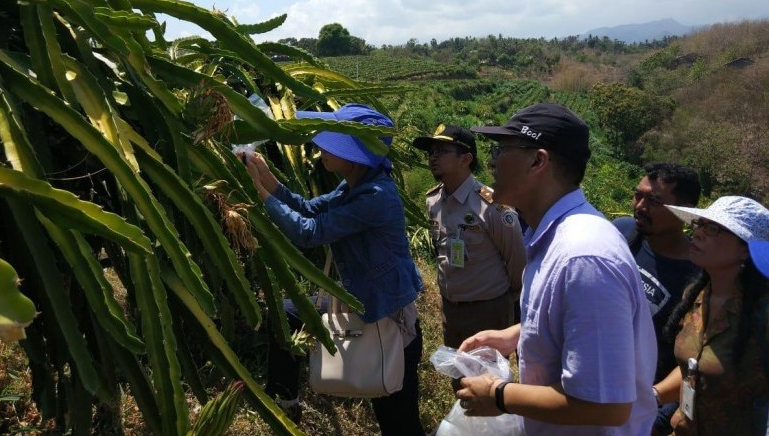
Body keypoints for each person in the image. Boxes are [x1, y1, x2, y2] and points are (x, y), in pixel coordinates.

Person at [455, 102, 658, 435]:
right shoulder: (553, 239)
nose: (490, 160)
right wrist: (517, 334)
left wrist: (499, 395)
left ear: (538, 161)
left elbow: (606, 406)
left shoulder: (583, 257)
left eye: (502, 149)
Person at [241, 103, 425, 436]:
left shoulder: (376, 196)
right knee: (285, 315)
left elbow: (309, 232)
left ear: (355, 154)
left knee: (398, 422)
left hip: (388, 317)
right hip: (360, 300)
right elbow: (309, 209)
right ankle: (285, 403)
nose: (321, 148)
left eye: (334, 141)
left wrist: (259, 192)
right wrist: (268, 177)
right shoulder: (352, 185)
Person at [652, 196, 769, 435]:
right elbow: (694, 368)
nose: (698, 233)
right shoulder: (695, 296)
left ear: (745, 249)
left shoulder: (762, 314)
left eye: (713, 228)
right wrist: (654, 395)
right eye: (700, 224)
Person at [411, 124, 525, 356]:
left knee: (489, 381)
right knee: (459, 378)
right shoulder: (433, 201)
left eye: (442, 151)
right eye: (431, 152)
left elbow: (517, 263)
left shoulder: (492, 206)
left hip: (488, 310)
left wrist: (505, 301)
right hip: (451, 309)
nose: (433, 157)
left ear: (466, 159)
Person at [613, 163, 702, 436]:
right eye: (638, 195)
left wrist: (653, 411)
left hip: (646, 403)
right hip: (596, 382)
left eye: (654, 201)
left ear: (684, 211)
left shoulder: (699, 273)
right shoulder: (621, 233)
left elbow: (692, 359)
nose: (640, 205)